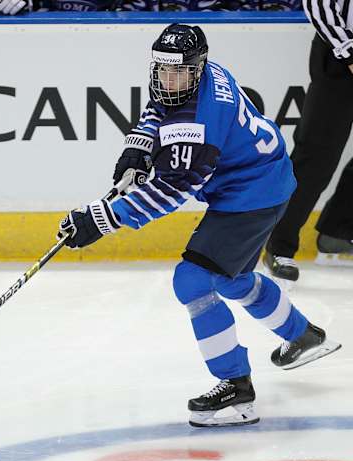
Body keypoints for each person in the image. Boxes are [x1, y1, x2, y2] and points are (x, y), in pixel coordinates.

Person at [57, 24, 341, 427]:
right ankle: (302, 336)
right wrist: (139, 147)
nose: (169, 81)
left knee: (192, 280)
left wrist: (101, 219)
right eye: (163, 71)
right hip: (262, 182)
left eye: (179, 73)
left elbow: (168, 195)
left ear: (197, 67)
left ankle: (236, 391)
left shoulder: (198, 129)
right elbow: (162, 106)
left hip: (250, 196)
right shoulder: (206, 74)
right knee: (230, 279)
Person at [264, 0, 353, 285]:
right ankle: (279, 245)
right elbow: (319, 5)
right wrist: (349, 52)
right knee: (317, 155)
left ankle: (337, 231)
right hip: (339, 59)